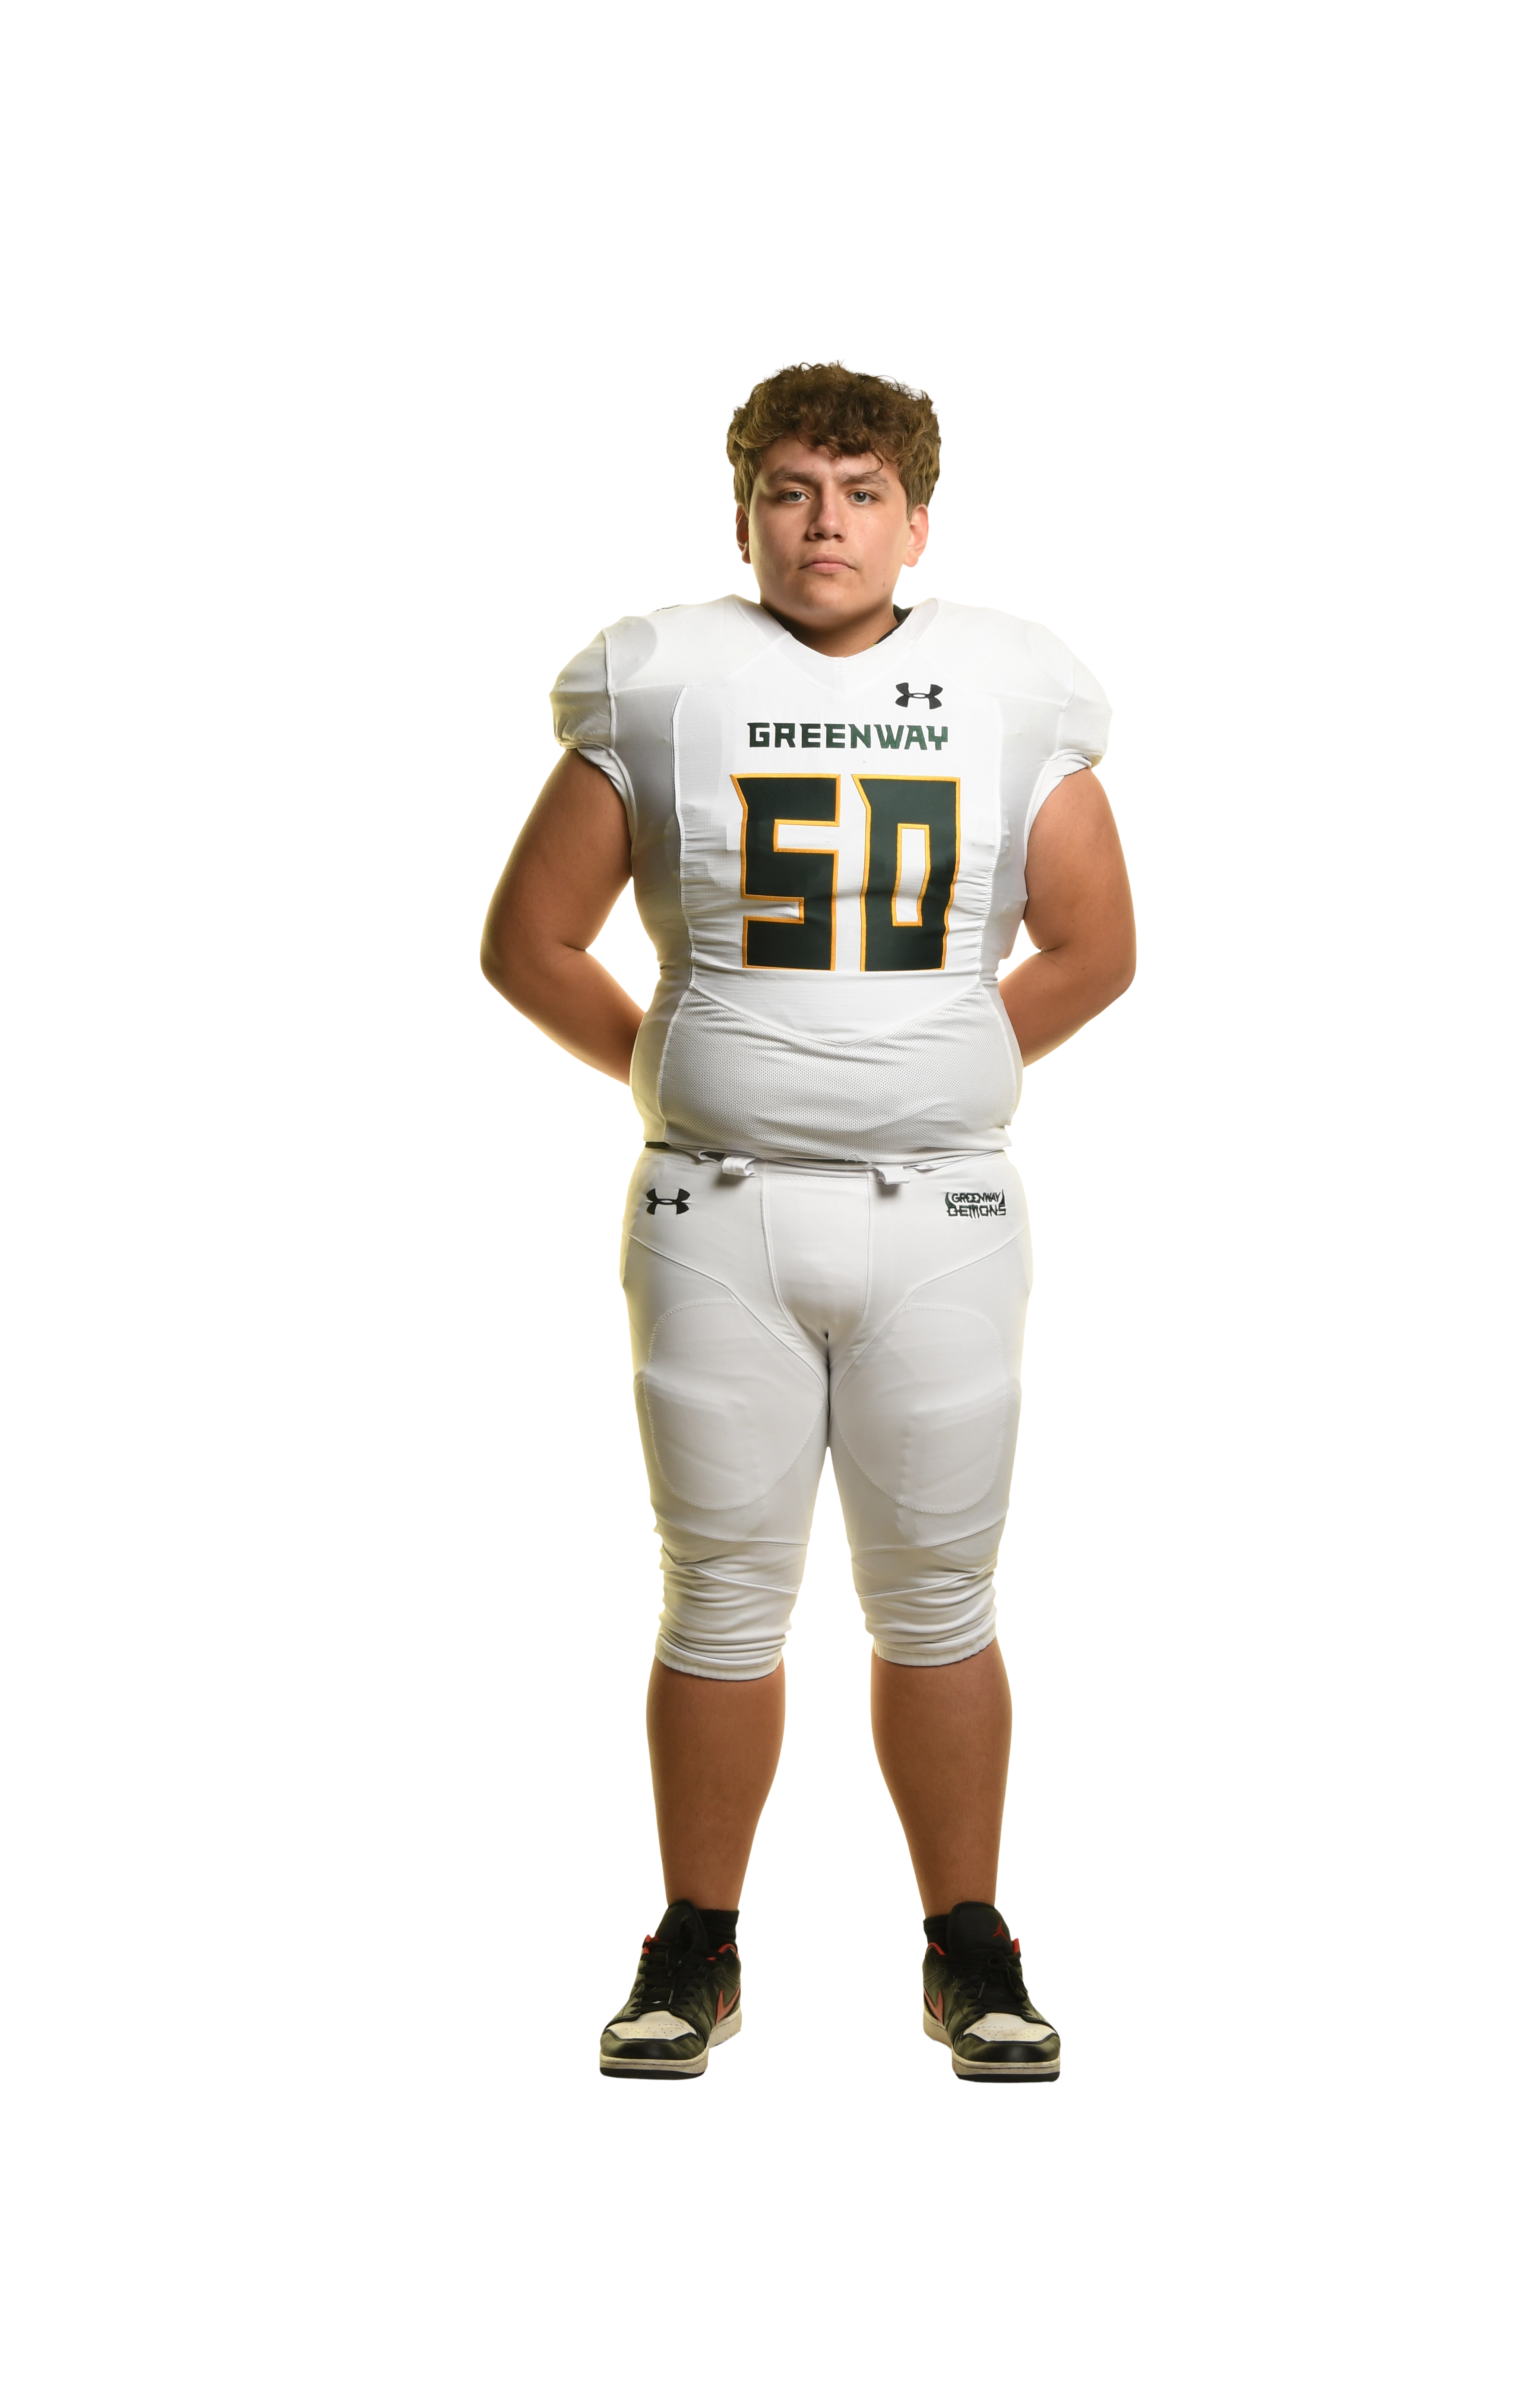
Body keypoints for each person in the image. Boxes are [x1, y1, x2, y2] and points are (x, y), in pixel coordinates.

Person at [481, 359, 1135, 2082]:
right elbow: (531, 942)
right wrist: (690, 1072)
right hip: (719, 1204)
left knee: (939, 1596)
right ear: (743, 513)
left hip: (944, 1208)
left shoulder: (1010, 682)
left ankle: (968, 1942)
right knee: (718, 1596)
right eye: (786, 490)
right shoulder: (662, 678)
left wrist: (935, 1067)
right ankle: (697, 1943)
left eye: (859, 492)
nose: (821, 523)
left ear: (919, 519)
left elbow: (1095, 943)